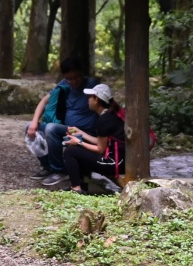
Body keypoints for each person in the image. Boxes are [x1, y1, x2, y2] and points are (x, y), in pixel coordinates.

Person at [25, 56, 100, 186]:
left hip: (84, 134)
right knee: (29, 128)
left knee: (51, 128)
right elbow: (44, 101)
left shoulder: (92, 85)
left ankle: (60, 171)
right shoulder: (64, 83)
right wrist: (34, 121)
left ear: (82, 72)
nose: (74, 82)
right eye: (69, 79)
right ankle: (48, 166)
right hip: (67, 130)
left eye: (76, 77)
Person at [60, 83, 124, 193]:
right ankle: (80, 185)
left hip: (114, 164)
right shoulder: (110, 115)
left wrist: (78, 142)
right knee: (78, 148)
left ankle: (76, 188)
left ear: (96, 100)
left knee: (70, 151)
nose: (87, 99)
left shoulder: (104, 120)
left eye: (90, 97)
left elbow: (100, 149)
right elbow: (101, 142)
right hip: (120, 161)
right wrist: (81, 133)